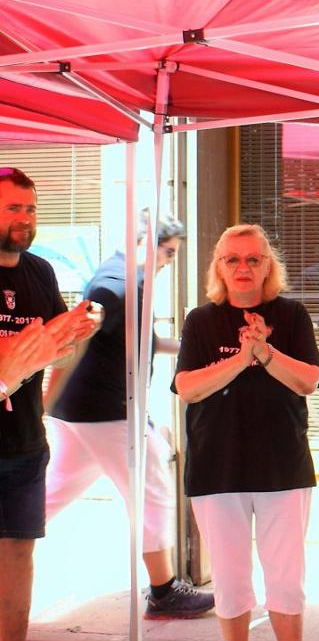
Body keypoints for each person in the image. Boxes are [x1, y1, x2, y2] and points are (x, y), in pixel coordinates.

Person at [174, 225, 319, 641]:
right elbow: (186, 387)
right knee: (231, 577)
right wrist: (243, 358)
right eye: (232, 260)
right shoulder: (201, 320)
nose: (243, 268)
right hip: (216, 469)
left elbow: (308, 380)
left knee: (286, 577)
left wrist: (264, 351)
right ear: (218, 267)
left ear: (268, 265)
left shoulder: (292, 314)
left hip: (283, 468)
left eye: (253, 260)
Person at [43, 215, 215, 619]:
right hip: (104, 411)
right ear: (144, 242)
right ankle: (163, 590)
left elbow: (143, 341)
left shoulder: (120, 276)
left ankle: (6, 536)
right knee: (152, 488)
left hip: (84, 411)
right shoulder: (117, 286)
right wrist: (44, 402)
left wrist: (195, 345)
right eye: (169, 252)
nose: (170, 261)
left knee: (54, 493)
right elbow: (74, 338)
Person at [0, 167, 98, 641]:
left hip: (22, 444)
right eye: (13, 208)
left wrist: (78, 332)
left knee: (18, 550)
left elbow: (59, 344)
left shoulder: (38, 272)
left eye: (31, 208)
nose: (24, 218)